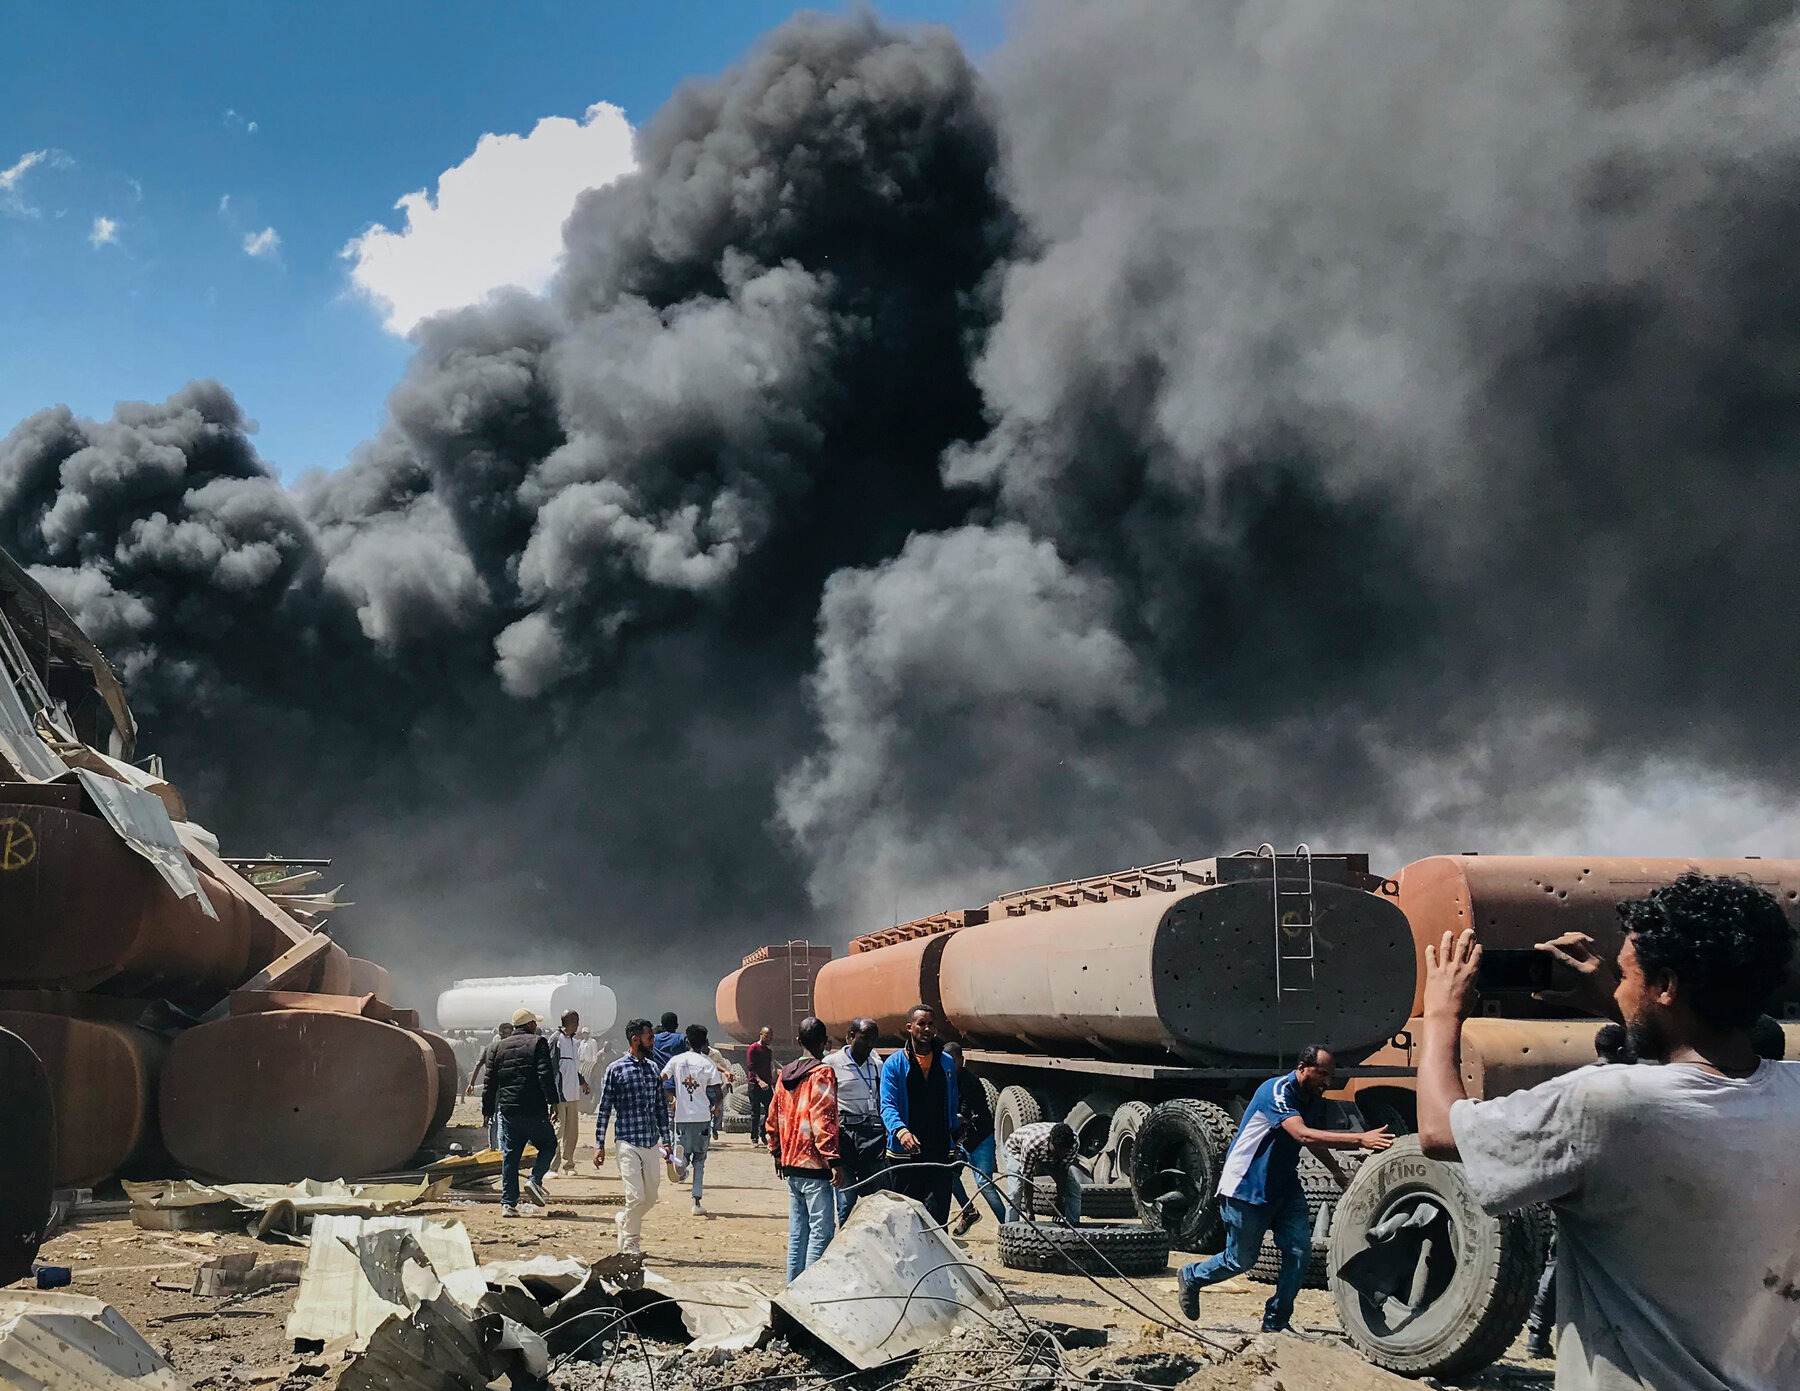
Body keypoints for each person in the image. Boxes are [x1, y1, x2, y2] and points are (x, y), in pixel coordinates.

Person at [1417, 872, 1800, 1391]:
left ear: (1666, 987)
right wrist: (1619, 1000)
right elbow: (1699, 1060)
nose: (1617, 987)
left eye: (1625, 975)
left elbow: (1441, 1131)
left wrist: (1441, 1014)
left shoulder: (1602, 1105)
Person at [1177, 1044, 1393, 1332]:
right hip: (1247, 1186)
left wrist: (1337, 1172)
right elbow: (1302, 1134)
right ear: (1302, 1067)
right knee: (1240, 1260)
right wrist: (1360, 1140)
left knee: (1299, 1253)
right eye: (1322, 1074)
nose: (1327, 1082)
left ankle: (1276, 1322)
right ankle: (1192, 1276)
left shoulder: (1312, 1097)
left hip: (1284, 1187)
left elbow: (1314, 1140)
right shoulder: (1275, 1092)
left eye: (1330, 1076)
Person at [1527, 1022, 1636, 1359]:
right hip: (1609, 1186)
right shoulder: (1626, 1085)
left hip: (1569, 1180)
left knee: (1560, 1261)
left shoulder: (1571, 1082)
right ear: (1620, 1052)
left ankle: (1537, 1335)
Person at [767, 1016, 844, 1280]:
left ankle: (791, 1287)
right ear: (825, 1043)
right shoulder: (822, 1073)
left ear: (799, 1041)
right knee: (821, 1232)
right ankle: (807, 1294)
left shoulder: (784, 1074)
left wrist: (777, 1152)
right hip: (814, 1165)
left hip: (790, 1164)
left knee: (798, 1232)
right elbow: (823, 1118)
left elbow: (773, 1116)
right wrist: (833, 1159)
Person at [592, 1017, 675, 1254]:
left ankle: (624, 1219)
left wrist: (667, 1142)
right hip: (627, 1141)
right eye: (650, 1037)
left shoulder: (653, 1069)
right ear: (635, 1039)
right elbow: (605, 1108)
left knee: (650, 1197)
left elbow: (661, 1108)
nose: (653, 1042)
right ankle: (631, 1243)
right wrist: (599, 1145)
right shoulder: (615, 1069)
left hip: (650, 1143)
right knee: (636, 1194)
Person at [878, 1004, 961, 1225]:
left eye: (930, 1024)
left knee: (937, 1218)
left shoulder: (946, 1063)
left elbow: (952, 1100)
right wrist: (900, 1131)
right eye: (921, 1024)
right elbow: (887, 1105)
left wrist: (954, 1130)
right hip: (905, 1154)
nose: (926, 1029)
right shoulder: (894, 1064)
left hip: (939, 1150)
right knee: (906, 1219)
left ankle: (935, 1260)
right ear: (909, 1027)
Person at [480, 1009, 561, 1218]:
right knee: (548, 1144)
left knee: (511, 1156)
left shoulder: (498, 1047)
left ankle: (508, 1203)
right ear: (531, 1024)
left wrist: (487, 1110)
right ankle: (534, 1180)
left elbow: (490, 1082)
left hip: (508, 1110)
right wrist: (553, 1101)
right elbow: (545, 1073)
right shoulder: (538, 1043)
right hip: (533, 1108)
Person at [825, 1018, 886, 1224]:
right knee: (846, 1202)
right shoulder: (831, 1065)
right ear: (850, 1037)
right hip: (846, 1141)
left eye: (874, 1040)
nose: (870, 1044)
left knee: (877, 1201)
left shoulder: (877, 1065)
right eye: (865, 1039)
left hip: (872, 1140)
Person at [662, 1022, 724, 1215]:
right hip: (702, 1117)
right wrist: (715, 1108)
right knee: (700, 1160)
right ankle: (696, 1203)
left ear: (687, 1041)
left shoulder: (676, 1060)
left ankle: (680, 1166)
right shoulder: (708, 1063)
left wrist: (670, 1098)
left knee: (682, 1149)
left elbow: (662, 1078)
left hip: (681, 1116)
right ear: (704, 1041)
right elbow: (717, 1090)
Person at [946, 1042, 1004, 1234]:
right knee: (949, 1175)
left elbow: (963, 1115)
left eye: (952, 1060)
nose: (948, 1064)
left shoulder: (970, 1082)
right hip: (961, 1140)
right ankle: (969, 1211)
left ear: (961, 1061)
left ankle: (1010, 1227)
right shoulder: (945, 1079)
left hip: (979, 1138)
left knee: (983, 1183)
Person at [1003, 1120, 1082, 1225]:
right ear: (1050, 1142)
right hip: (1016, 1150)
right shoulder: (1032, 1145)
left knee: (1073, 1188)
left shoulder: (1073, 1144)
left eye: (1063, 1153)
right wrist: (1029, 1211)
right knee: (1015, 1191)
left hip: (1044, 1154)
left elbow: (1062, 1172)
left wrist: (1058, 1205)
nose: (1060, 1155)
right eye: (1057, 1151)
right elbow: (1027, 1179)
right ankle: (1010, 1229)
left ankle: (1074, 1227)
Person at [546, 1009, 590, 1177]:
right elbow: (551, 1068)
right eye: (575, 1021)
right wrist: (552, 1095)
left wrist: (582, 1082)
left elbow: (572, 1067)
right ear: (569, 1022)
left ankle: (568, 1164)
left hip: (573, 1095)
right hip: (560, 1094)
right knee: (558, 1131)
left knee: (572, 1132)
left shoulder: (573, 1041)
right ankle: (552, 1167)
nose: (578, 1024)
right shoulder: (556, 1040)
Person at [465, 1021, 515, 1151]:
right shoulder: (505, 1048)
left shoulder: (489, 1047)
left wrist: (471, 1084)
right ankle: (500, 1149)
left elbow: (478, 1065)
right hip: (501, 1086)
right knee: (499, 1117)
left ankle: (493, 1148)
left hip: (491, 1087)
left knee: (492, 1117)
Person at [746, 1025, 775, 1145]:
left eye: (770, 1037)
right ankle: (754, 1137)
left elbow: (769, 1066)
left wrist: (772, 1078)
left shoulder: (768, 1051)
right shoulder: (753, 1048)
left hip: (766, 1084)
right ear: (761, 1034)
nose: (768, 1038)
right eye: (766, 1036)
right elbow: (751, 1067)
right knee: (756, 1112)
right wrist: (759, 1081)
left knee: (771, 1109)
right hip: (755, 1084)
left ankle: (763, 1132)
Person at [707, 1039, 736, 1140]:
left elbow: (724, 1067)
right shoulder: (697, 1055)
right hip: (703, 1087)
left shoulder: (715, 1053)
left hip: (715, 1086)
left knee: (718, 1111)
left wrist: (728, 1081)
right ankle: (708, 1131)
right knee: (706, 1111)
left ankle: (714, 1127)